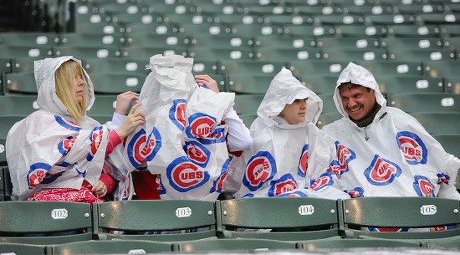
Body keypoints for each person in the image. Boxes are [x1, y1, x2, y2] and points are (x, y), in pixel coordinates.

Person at [109, 54, 252, 201]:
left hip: (200, 212)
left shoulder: (205, 119)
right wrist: (120, 115)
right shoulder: (139, 120)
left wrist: (219, 103)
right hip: (155, 214)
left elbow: (243, 142)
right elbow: (115, 162)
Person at [6, 56, 145, 203]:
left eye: (81, 77)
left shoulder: (88, 125)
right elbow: (70, 154)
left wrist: (105, 183)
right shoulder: (38, 121)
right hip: (51, 207)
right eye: (74, 78)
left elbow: (110, 167)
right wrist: (119, 132)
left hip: (90, 204)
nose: (82, 82)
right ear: (56, 85)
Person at [322, 62, 460, 200]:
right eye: (345, 98)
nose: (351, 104)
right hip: (362, 215)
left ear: (372, 92)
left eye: (357, 95)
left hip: (415, 210)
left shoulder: (399, 121)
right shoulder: (332, 134)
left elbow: (439, 164)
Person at [226, 68, 350, 199]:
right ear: (280, 106)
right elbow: (243, 178)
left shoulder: (312, 132)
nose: (303, 106)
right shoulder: (262, 134)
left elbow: (324, 169)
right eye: (296, 101)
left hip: (310, 192)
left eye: (304, 100)